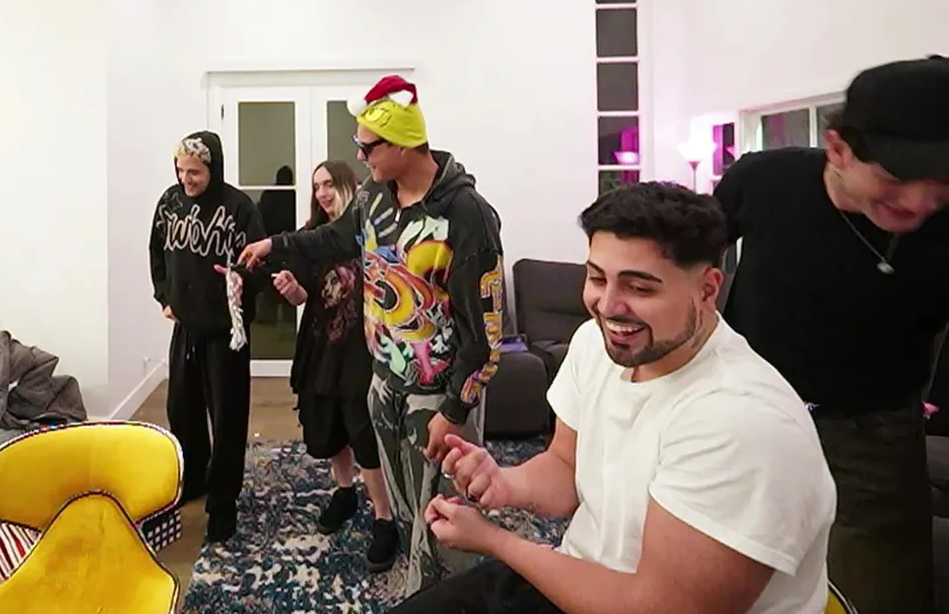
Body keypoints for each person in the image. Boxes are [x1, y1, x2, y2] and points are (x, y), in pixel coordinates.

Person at [390, 182, 838, 614]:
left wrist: (495, 541)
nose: (607, 306)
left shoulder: (741, 420)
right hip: (580, 576)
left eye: (639, 288)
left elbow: (658, 607)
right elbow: (565, 465)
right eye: (597, 278)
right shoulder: (595, 344)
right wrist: (505, 483)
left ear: (707, 289)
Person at [236, 75, 506, 596]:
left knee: (446, 517)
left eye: (368, 146)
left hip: (438, 396)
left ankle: (447, 599)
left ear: (402, 143)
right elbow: (333, 238)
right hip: (384, 383)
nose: (359, 157)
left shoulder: (466, 214)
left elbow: (486, 333)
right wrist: (274, 244)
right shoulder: (373, 198)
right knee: (405, 510)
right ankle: (416, 586)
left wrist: (454, 409)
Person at [714, 54, 949, 613]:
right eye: (894, 178)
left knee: (875, 593)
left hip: (875, 436)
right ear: (838, 149)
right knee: (732, 573)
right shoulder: (763, 180)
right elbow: (688, 260)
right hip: (749, 413)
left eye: (942, 184)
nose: (919, 203)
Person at [272, 159, 400, 572]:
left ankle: (384, 516)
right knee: (327, 425)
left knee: (363, 430)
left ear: (348, 185)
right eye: (316, 187)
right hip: (320, 346)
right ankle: (344, 492)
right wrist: (292, 288)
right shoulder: (311, 237)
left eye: (329, 184)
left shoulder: (369, 231)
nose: (322, 193)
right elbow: (303, 297)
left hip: (361, 350)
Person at [149, 130, 266, 543]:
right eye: (181, 171)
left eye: (195, 172)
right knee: (181, 410)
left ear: (212, 169)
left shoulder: (239, 208)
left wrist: (243, 280)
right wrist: (164, 296)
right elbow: (157, 251)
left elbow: (260, 263)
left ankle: (223, 501)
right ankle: (195, 478)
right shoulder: (169, 203)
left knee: (228, 418)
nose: (187, 179)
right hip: (186, 327)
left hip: (226, 333)